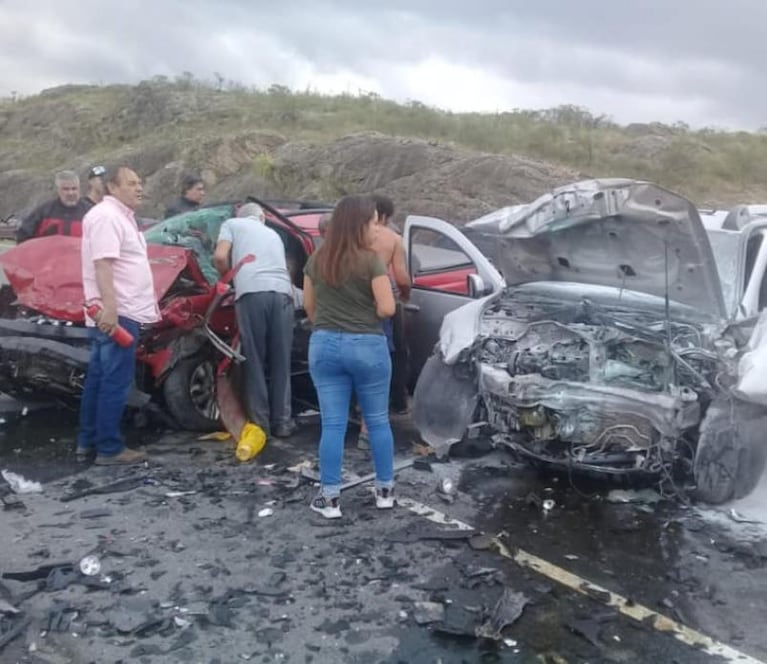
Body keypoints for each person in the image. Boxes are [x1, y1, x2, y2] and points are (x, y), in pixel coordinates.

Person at [303, 194, 396, 519]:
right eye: (372, 222)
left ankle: (330, 500)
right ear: (358, 224)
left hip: (324, 346)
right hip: (367, 346)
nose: (376, 227)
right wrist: (362, 315)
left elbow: (310, 309)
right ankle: (384, 492)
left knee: (333, 424)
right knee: (378, 420)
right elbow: (387, 308)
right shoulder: (371, 260)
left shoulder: (317, 259)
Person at [77, 166, 160, 465]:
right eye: (131, 183)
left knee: (99, 380)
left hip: (119, 312)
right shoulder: (108, 217)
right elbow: (103, 265)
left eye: (140, 182)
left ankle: (88, 442)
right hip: (117, 314)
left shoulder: (119, 217)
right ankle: (109, 448)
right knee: (114, 382)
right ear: (112, 187)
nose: (139, 188)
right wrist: (110, 310)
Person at [213, 202, 296, 439]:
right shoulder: (274, 234)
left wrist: (229, 280)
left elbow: (220, 257)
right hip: (282, 293)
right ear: (262, 218)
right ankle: (283, 422)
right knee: (281, 360)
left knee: (255, 359)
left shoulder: (231, 224)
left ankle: (261, 425)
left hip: (251, 292)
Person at [357, 194, 412, 449]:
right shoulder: (393, 239)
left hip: (351, 301)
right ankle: (379, 416)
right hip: (382, 301)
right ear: (386, 216)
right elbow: (401, 277)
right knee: (383, 357)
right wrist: (405, 296)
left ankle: (356, 409)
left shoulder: (350, 236)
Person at [16, 170, 92, 243]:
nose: (70, 193)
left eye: (74, 188)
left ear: (79, 188)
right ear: (58, 190)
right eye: (66, 189)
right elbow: (23, 237)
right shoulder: (44, 212)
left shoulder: (90, 212)